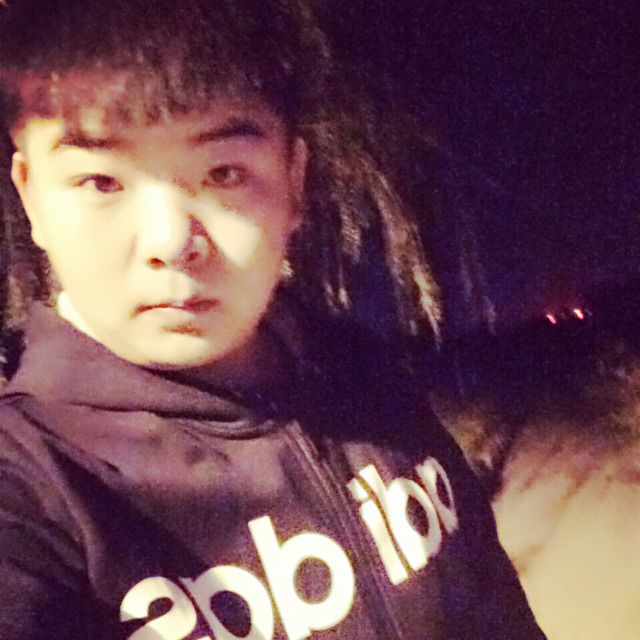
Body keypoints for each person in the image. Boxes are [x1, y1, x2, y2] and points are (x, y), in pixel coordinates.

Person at [0, 1, 545, 638]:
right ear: (31, 196)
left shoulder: (363, 376)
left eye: (224, 173)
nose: (171, 242)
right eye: (101, 183)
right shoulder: (36, 490)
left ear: (293, 181)